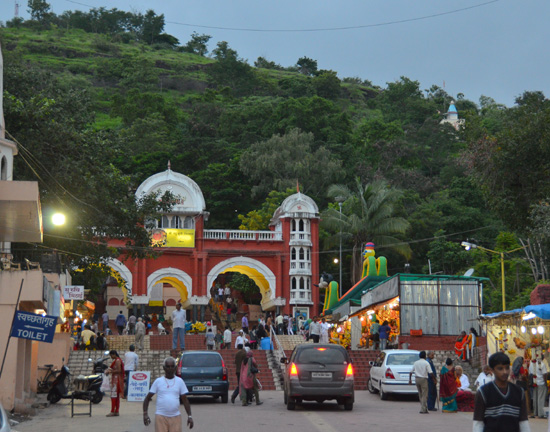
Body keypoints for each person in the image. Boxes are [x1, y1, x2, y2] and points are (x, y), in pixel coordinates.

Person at [473, 352, 530, 432]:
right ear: (492, 370)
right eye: (500, 368)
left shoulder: (519, 392)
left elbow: (523, 422)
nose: (505, 372)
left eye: (507, 368)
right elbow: (478, 423)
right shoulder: (483, 392)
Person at [143, 357, 194, 431]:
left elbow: (185, 400)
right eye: (168, 366)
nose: (170, 369)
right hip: (160, 417)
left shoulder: (180, 381)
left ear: (175, 368)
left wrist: (189, 416)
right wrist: (145, 414)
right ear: (164, 368)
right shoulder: (158, 381)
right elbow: (147, 399)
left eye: (172, 366)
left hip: (176, 417)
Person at [105, 350, 124, 417]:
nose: (111, 357)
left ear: (114, 354)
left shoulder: (117, 361)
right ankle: (117, 411)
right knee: (116, 397)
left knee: (113, 396)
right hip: (117, 380)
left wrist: (111, 371)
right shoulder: (117, 360)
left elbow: (119, 370)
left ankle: (113, 411)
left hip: (116, 380)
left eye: (111, 355)